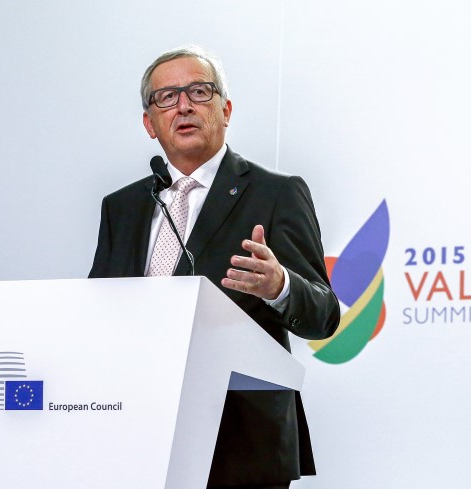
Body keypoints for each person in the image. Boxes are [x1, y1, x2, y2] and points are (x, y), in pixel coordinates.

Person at [89, 45, 340, 489]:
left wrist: (280, 285)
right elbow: (98, 310)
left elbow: (324, 314)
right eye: (166, 97)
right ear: (150, 123)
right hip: (139, 430)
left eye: (199, 92)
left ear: (226, 110)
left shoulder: (275, 194)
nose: (183, 105)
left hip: (241, 441)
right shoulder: (122, 207)